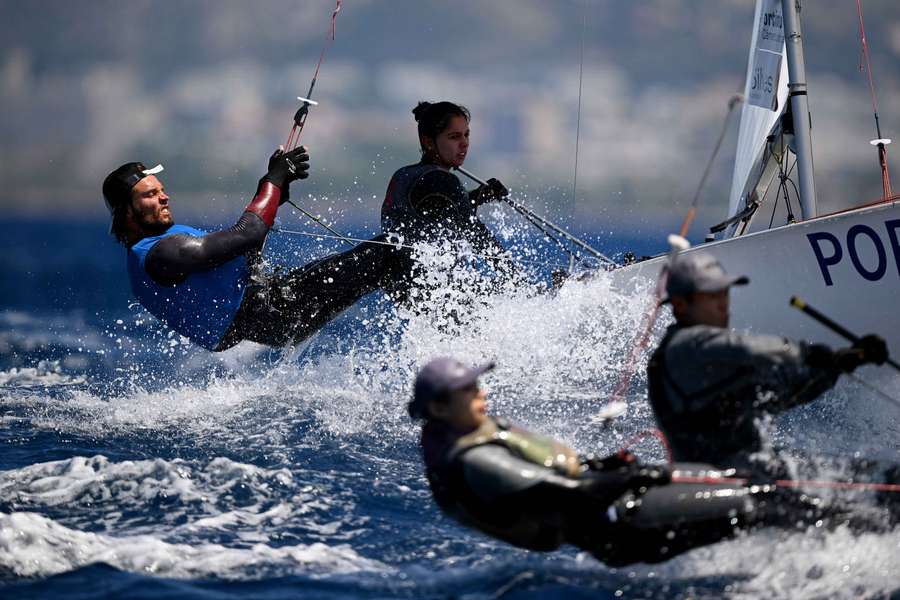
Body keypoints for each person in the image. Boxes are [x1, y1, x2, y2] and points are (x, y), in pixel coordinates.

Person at [408, 357, 894, 567]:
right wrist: (629, 474)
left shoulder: (472, 433)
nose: (481, 392)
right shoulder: (476, 462)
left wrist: (607, 465)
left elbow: (570, 476)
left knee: (755, 483)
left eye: (478, 384)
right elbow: (569, 494)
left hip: (620, 509)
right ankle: (874, 540)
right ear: (439, 408)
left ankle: (865, 525)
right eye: (468, 390)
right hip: (622, 527)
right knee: (764, 499)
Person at [103, 147, 409, 351]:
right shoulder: (161, 253)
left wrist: (275, 193)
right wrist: (272, 182)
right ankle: (440, 334)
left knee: (383, 260)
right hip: (275, 313)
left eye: (162, 190)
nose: (164, 197)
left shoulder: (166, 243)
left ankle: (432, 335)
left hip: (273, 307)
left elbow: (245, 250)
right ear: (127, 213)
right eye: (150, 195)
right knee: (388, 251)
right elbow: (248, 233)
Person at [647, 251, 889, 477]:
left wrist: (841, 362)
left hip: (751, 474)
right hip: (722, 484)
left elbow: (786, 395)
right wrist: (805, 352)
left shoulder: (712, 368)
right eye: (712, 296)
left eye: (725, 293)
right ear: (680, 304)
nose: (724, 304)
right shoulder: (683, 346)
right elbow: (744, 347)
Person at [381, 101, 519, 284]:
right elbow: (477, 234)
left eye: (466, 135)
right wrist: (518, 282)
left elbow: (434, 213)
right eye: (454, 137)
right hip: (435, 291)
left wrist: (478, 196)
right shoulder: (442, 180)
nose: (464, 144)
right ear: (428, 142)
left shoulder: (405, 174)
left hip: (409, 288)